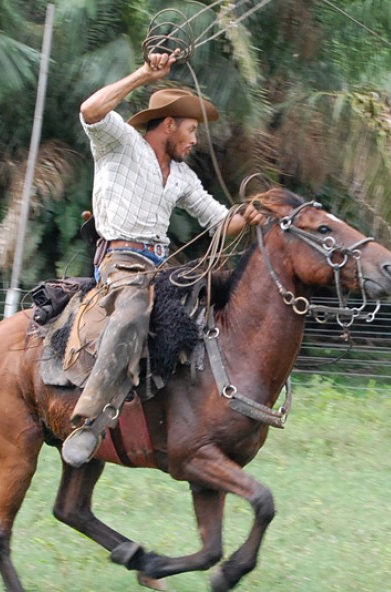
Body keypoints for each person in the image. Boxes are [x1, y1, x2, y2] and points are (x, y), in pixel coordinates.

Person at [61, 51, 265, 467]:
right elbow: (90, 109)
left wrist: (251, 212)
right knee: (133, 309)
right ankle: (89, 419)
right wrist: (143, 74)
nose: (194, 140)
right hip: (119, 262)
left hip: (159, 267)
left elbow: (219, 223)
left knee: (209, 309)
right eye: (190, 130)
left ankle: (191, 417)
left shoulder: (184, 176)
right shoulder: (120, 143)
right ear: (168, 125)